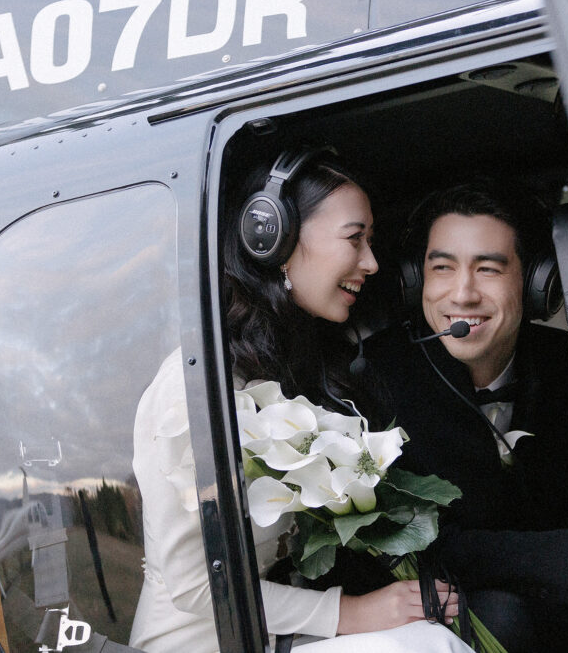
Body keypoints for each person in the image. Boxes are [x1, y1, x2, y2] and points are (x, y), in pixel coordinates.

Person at [128, 150, 470, 653]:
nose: (371, 263)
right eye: (354, 238)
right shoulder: (193, 387)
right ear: (275, 242)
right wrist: (351, 613)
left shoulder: (292, 370)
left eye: (371, 242)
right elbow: (197, 585)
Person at [367, 180, 568, 653]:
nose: (463, 294)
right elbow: (426, 546)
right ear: (416, 280)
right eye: (442, 268)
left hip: (559, 612)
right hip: (464, 618)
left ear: (538, 281)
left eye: (488, 269)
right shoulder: (376, 377)